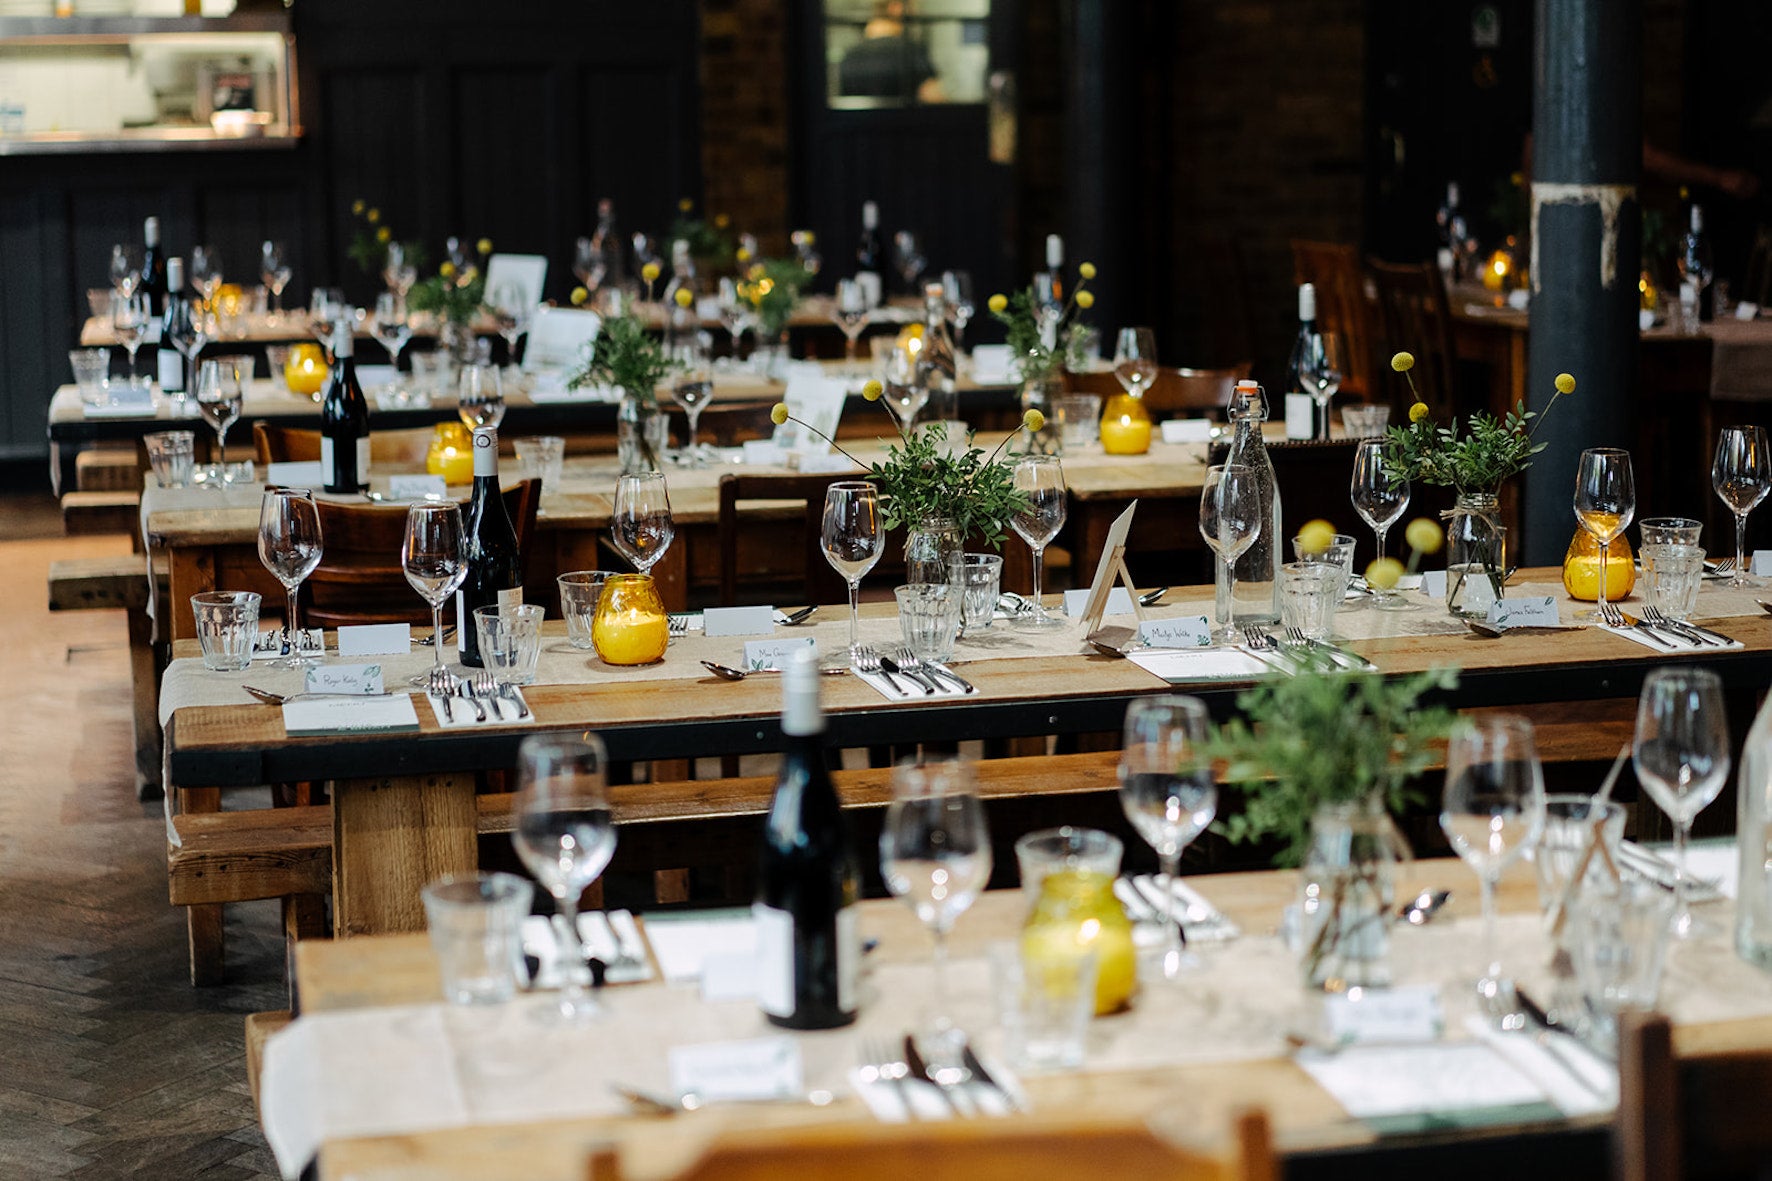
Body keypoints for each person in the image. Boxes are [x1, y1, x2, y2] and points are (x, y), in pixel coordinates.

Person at [837, 0, 944, 104]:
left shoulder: (850, 55)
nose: (914, 13)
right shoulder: (911, 52)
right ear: (896, 7)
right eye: (911, 7)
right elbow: (934, 99)